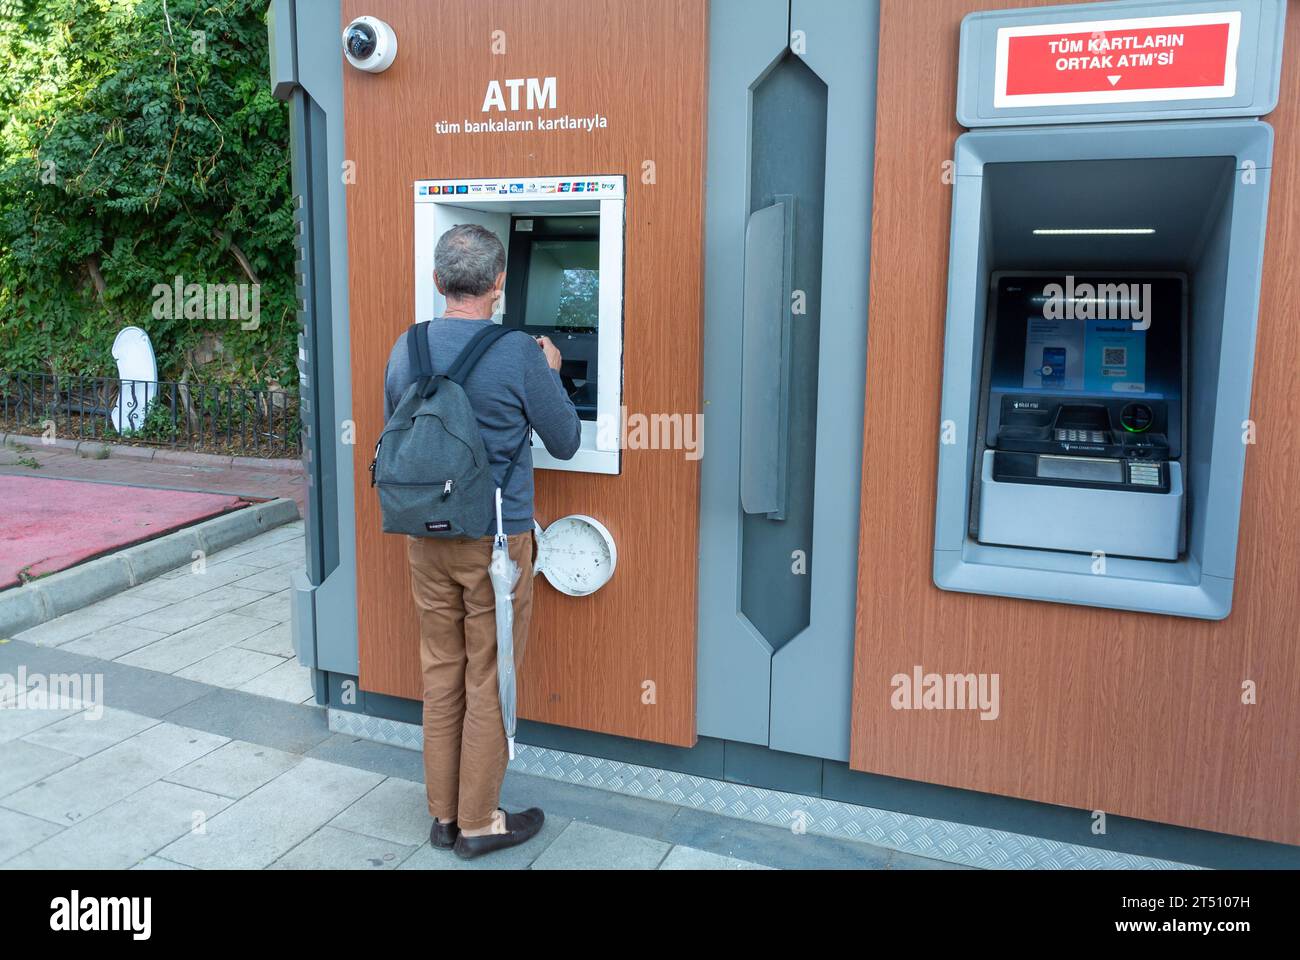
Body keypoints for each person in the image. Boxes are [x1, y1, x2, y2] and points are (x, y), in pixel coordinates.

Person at [383, 223, 581, 859]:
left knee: (442, 675)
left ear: (439, 282)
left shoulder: (405, 348)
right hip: (495, 545)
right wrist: (550, 371)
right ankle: (478, 823)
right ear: (499, 283)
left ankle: (442, 816)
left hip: (424, 539)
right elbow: (566, 440)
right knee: (490, 680)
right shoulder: (519, 350)